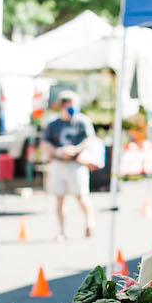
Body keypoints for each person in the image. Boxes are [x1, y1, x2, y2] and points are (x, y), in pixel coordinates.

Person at [41, 90, 96, 241]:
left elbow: (89, 139)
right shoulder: (53, 124)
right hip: (59, 164)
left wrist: (76, 149)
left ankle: (90, 223)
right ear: (62, 106)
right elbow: (45, 142)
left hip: (76, 164)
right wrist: (58, 152)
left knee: (81, 197)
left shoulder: (82, 121)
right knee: (59, 199)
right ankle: (61, 231)